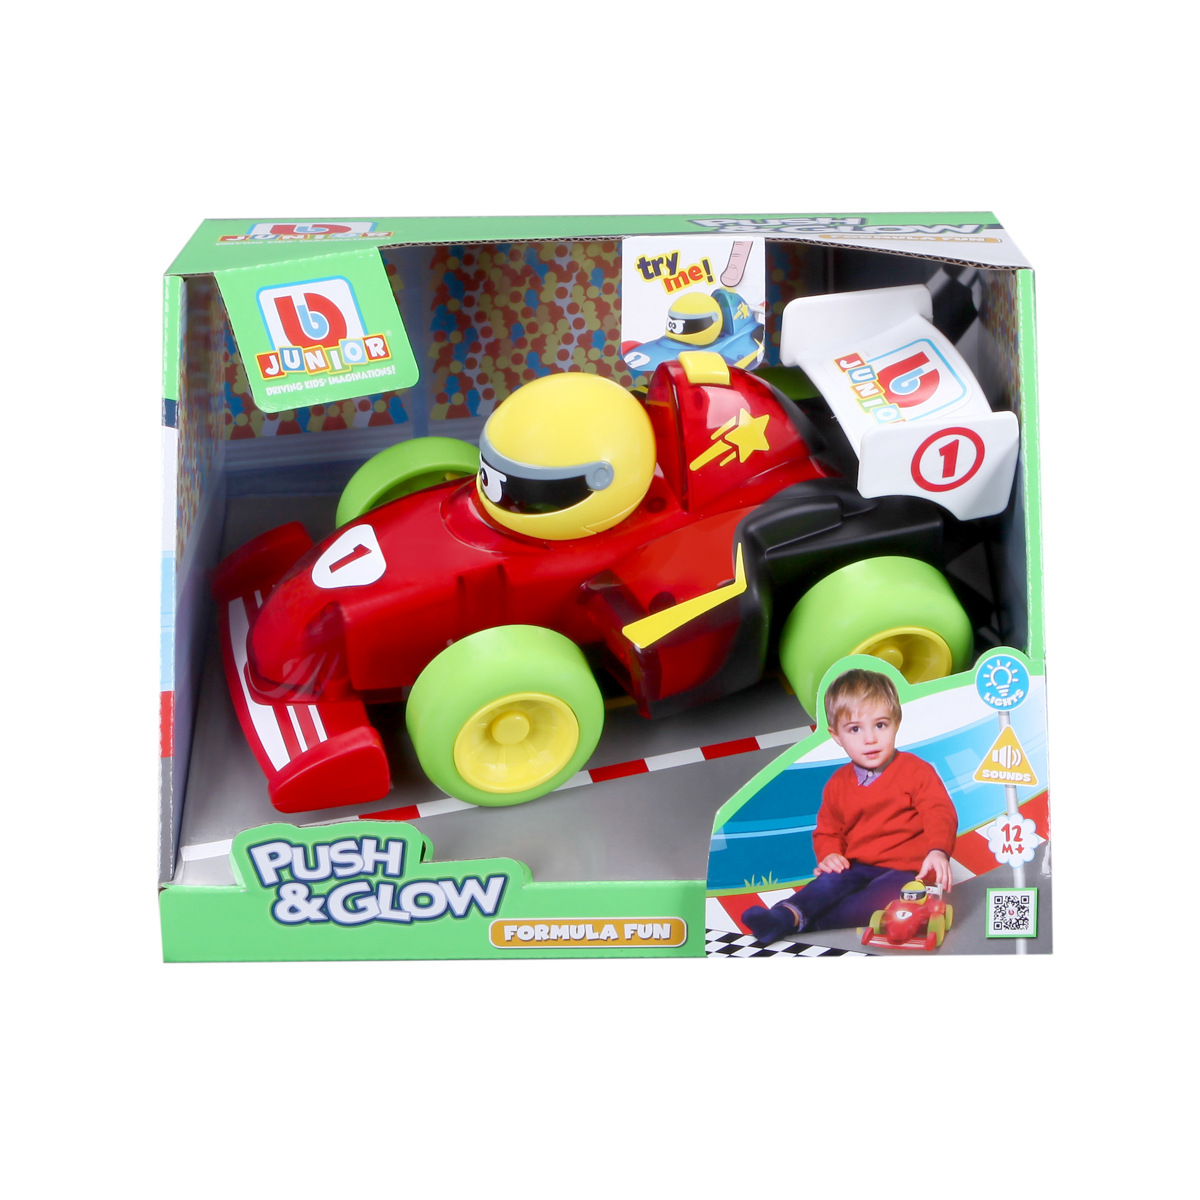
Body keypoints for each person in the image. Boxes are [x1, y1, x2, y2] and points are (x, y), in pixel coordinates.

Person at [742, 668, 957, 944]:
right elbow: (828, 831)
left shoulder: (917, 771)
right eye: (855, 729)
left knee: (869, 902)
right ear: (836, 736)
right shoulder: (838, 783)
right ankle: (783, 916)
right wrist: (830, 854)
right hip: (855, 867)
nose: (870, 739)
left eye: (880, 725)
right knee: (825, 885)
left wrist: (938, 850)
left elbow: (939, 812)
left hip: (907, 871)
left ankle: (812, 924)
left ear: (896, 723)